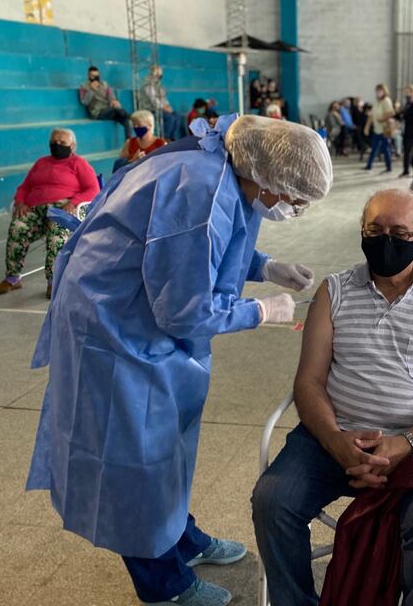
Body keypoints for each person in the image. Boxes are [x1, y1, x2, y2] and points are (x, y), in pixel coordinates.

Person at [25, 114, 333, 606]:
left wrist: (264, 265)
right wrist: (260, 310)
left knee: (168, 447)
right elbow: (186, 307)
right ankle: (161, 584)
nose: (294, 208)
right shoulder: (200, 189)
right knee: (135, 459)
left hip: (145, 320)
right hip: (114, 329)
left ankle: (179, 538)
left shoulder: (229, 169)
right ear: (272, 176)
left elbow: (208, 246)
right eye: (295, 198)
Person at [252, 188, 413, 606]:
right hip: (333, 439)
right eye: (374, 230)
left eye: (398, 232)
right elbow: (308, 381)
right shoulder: (334, 291)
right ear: (361, 233)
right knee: (273, 500)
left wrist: (406, 443)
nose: (385, 241)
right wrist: (335, 441)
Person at [0, 128, 101, 299]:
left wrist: (73, 202)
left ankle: (53, 281)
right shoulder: (41, 163)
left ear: (73, 146)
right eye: (54, 142)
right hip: (36, 209)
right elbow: (25, 187)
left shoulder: (79, 164)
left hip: (63, 208)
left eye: (62, 143)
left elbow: (93, 189)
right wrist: (20, 201)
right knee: (17, 227)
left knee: (56, 236)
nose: (57, 145)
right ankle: (13, 277)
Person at [79, 66, 132, 139]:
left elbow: (111, 97)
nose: (94, 78)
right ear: (88, 76)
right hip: (97, 112)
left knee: (125, 120)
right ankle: (130, 115)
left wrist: (114, 101)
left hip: (109, 110)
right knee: (117, 111)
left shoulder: (105, 84)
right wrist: (91, 90)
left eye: (96, 76)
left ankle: (128, 140)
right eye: (92, 76)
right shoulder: (84, 86)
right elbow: (85, 102)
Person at [140, 64, 185, 140]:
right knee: (170, 118)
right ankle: (165, 138)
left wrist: (168, 107)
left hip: (161, 109)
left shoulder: (159, 87)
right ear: (151, 75)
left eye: (159, 76)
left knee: (177, 116)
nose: (158, 78)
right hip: (151, 110)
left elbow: (164, 99)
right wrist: (164, 108)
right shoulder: (148, 86)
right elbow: (154, 102)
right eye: (156, 76)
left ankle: (172, 137)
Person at [365, 83, 395, 173]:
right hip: (376, 129)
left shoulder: (386, 100)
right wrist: (367, 126)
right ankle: (369, 166)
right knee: (373, 148)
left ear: (384, 91)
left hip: (384, 129)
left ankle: (389, 167)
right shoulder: (376, 101)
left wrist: (382, 119)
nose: (378, 92)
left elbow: (391, 113)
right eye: (377, 91)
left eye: (380, 90)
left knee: (386, 149)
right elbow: (372, 115)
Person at [399, 84, 413, 177]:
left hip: (412, 132)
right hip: (406, 131)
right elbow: (402, 114)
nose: (406, 94)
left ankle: (406, 171)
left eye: (408, 92)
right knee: (409, 153)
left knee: (407, 152)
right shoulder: (407, 104)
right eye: (405, 92)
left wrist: (403, 116)